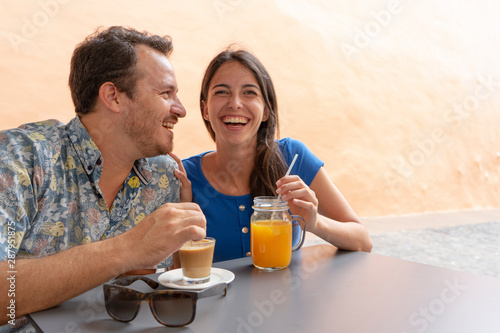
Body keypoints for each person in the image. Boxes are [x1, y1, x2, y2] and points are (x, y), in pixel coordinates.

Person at [0, 26, 204, 332]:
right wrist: (128, 248)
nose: (182, 109)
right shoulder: (20, 158)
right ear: (113, 96)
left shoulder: (164, 178)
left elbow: (153, 293)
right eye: (166, 93)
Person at [181, 48, 372, 262]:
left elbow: (362, 241)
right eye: (222, 92)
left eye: (249, 92)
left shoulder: (292, 156)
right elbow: (177, 274)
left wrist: (315, 222)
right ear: (205, 109)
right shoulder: (184, 177)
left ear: (266, 110)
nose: (235, 103)